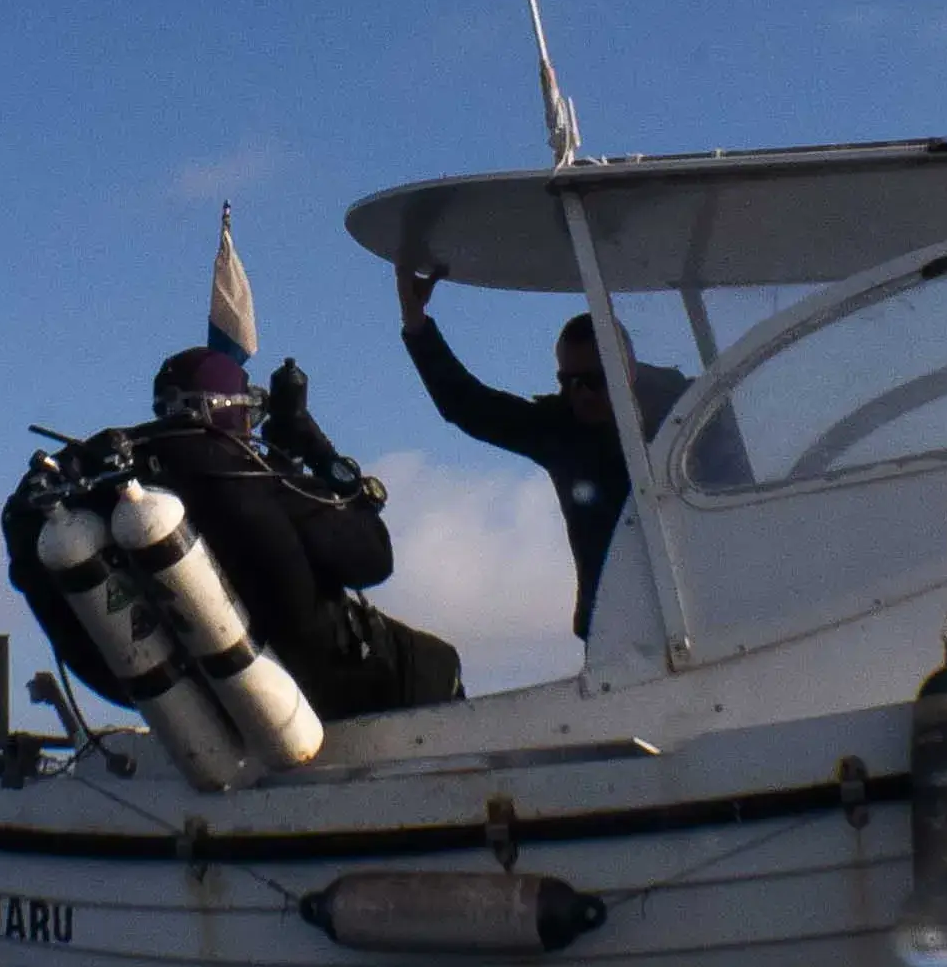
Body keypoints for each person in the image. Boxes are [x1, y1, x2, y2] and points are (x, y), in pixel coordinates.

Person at [136, 345, 462, 719]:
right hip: (338, 684)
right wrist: (317, 451)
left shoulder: (145, 497)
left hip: (219, 702)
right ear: (230, 410)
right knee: (438, 660)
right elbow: (374, 559)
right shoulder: (257, 484)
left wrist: (282, 462)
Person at [398, 264, 697, 642]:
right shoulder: (560, 429)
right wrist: (416, 324)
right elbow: (468, 405)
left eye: (594, 380)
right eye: (568, 381)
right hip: (614, 630)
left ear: (628, 370)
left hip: (707, 604)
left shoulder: (688, 410)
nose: (581, 393)